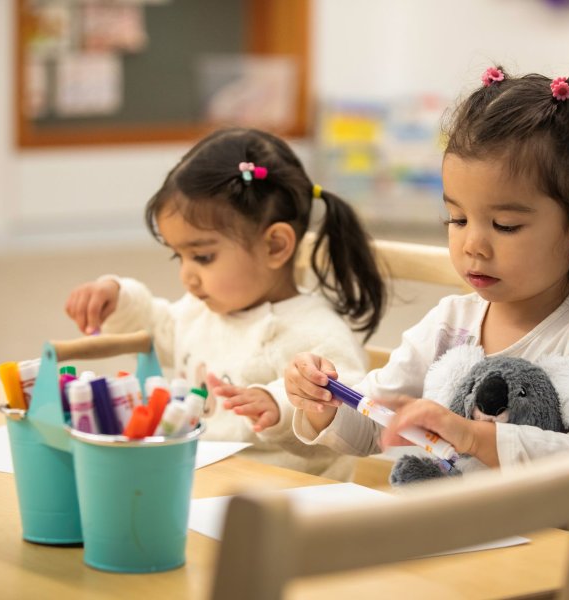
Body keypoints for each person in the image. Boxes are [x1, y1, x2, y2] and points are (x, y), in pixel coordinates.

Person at [285, 66, 569, 470]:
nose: (473, 245)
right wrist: (326, 400)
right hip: (446, 526)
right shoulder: (449, 324)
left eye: (505, 226)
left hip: (542, 532)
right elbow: (375, 424)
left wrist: (475, 437)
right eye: (457, 219)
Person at [64, 127, 386, 480]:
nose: (187, 275)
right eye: (179, 257)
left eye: (202, 257)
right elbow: (159, 327)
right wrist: (117, 297)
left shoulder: (317, 333)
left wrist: (279, 406)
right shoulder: (202, 309)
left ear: (275, 246)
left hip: (284, 501)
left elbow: (353, 420)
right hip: (202, 481)